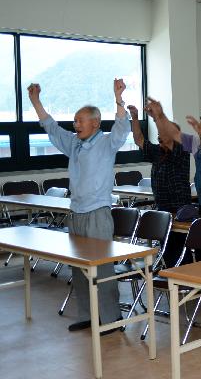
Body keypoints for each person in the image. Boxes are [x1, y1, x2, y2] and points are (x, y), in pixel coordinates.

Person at [28, 80, 128, 333]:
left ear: (95, 123)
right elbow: (51, 127)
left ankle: (111, 318)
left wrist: (118, 98)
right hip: (76, 214)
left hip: (98, 214)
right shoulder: (73, 143)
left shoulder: (106, 143)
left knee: (102, 268)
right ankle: (89, 315)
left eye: (80, 120)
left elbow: (122, 127)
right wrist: (36, 102)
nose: (76, 124)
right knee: (79, 268)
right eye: (74, 121)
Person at [128, 99, 191, 214]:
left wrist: (158, 116)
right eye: (159, 134)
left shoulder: (181, 149)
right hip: (161, 205)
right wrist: (135, 118)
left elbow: (168, 140)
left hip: (179, 207)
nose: (159, 136)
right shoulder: (157, 150)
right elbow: (139, 140)